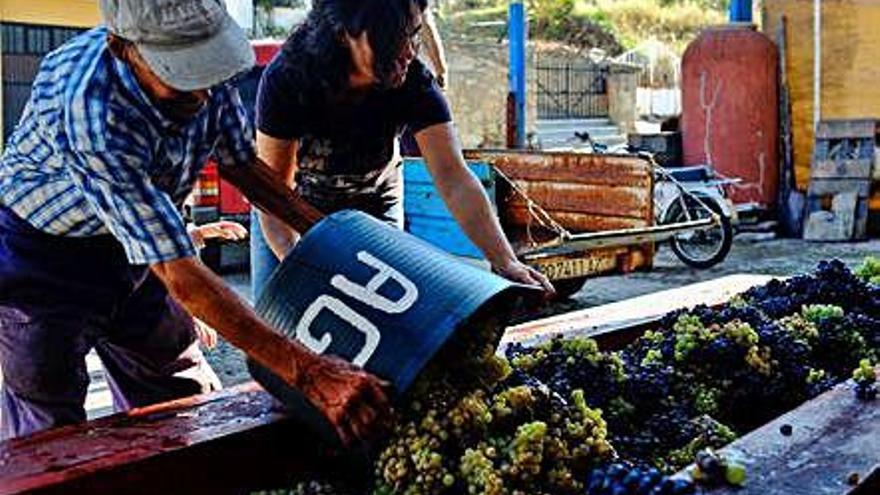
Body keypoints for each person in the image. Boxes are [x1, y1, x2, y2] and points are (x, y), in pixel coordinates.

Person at [0, 0, 388, 443]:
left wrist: (334, 240)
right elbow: (180, 275)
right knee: (51, 430)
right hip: (42, 261)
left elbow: (243, 166)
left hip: (134, 252)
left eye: (206, 72)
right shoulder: (91, 107)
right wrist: (309, 372)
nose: (203, 96)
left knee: (185, 401)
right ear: (124, 48)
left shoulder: (207, 75)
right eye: (181, 77)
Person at [251, 0, 554, 299]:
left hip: (375, 206)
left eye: (414, 34)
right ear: (344, 33)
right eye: (392, 38)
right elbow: (275, 193)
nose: (408, 51)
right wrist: (302, 270)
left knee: (386, 322)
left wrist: (505, 260)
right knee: (277, 326)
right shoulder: (289, 79)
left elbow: (454, 178)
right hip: (289, 211)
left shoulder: (414, 83)